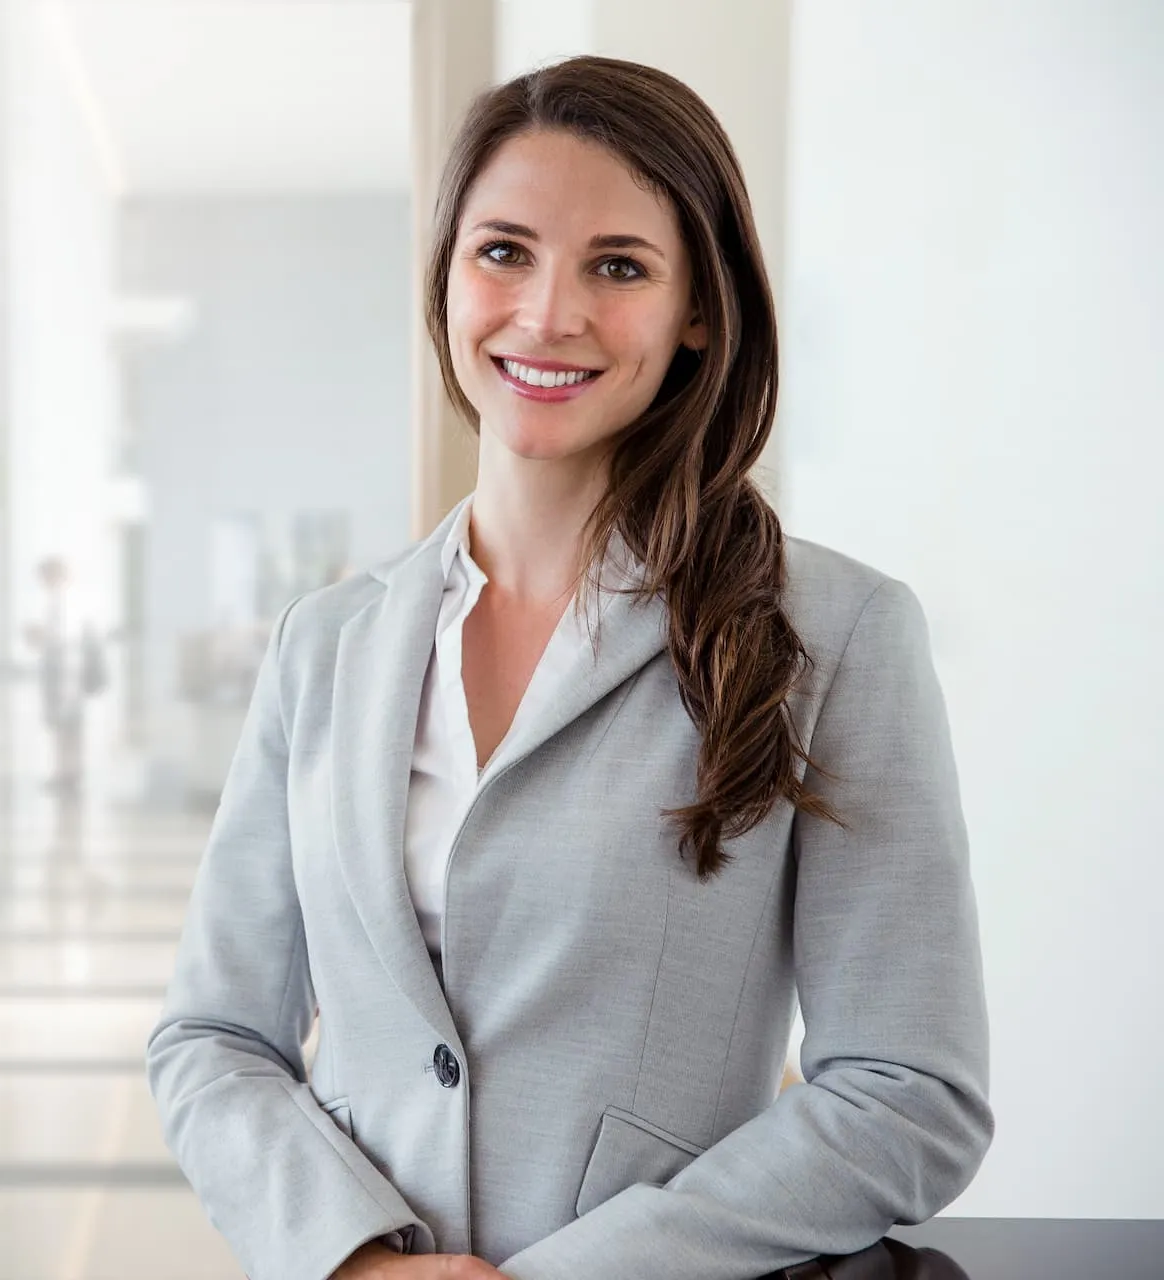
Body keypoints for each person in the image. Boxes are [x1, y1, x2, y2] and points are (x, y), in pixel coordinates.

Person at [145, 56, 991, 1280]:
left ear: (700, 309)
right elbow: (215, 1036)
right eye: (503, 251)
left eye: (619, 265)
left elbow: (912, 1090)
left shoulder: (837, 634)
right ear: (444, 275)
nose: (547, 313)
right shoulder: (323, 643)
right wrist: (352, 1256)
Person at [23, 557, 106, 799]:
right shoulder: (64, 600)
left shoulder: (64, 601)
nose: (43, 582)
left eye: (45, 576)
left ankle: (67, 773)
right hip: (66, 670)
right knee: (66, 726)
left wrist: (40, 635)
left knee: (65, 725)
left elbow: (65, 637)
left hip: (65, 672)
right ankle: (68, 772)